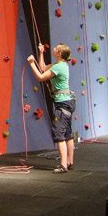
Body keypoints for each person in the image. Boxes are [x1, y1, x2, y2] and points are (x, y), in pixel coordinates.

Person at [26, 43, 76, 173]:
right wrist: (41, 52)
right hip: (67, 102)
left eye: (56, 49)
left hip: (62, 103)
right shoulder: (60, 65)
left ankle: (63, 165)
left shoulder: (58, 67)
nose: (53, 49)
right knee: (67, 134)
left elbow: (40, 77)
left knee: (59, 133)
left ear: (59, 54)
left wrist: (31, 63)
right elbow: (42, 68)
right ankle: (69, 161)